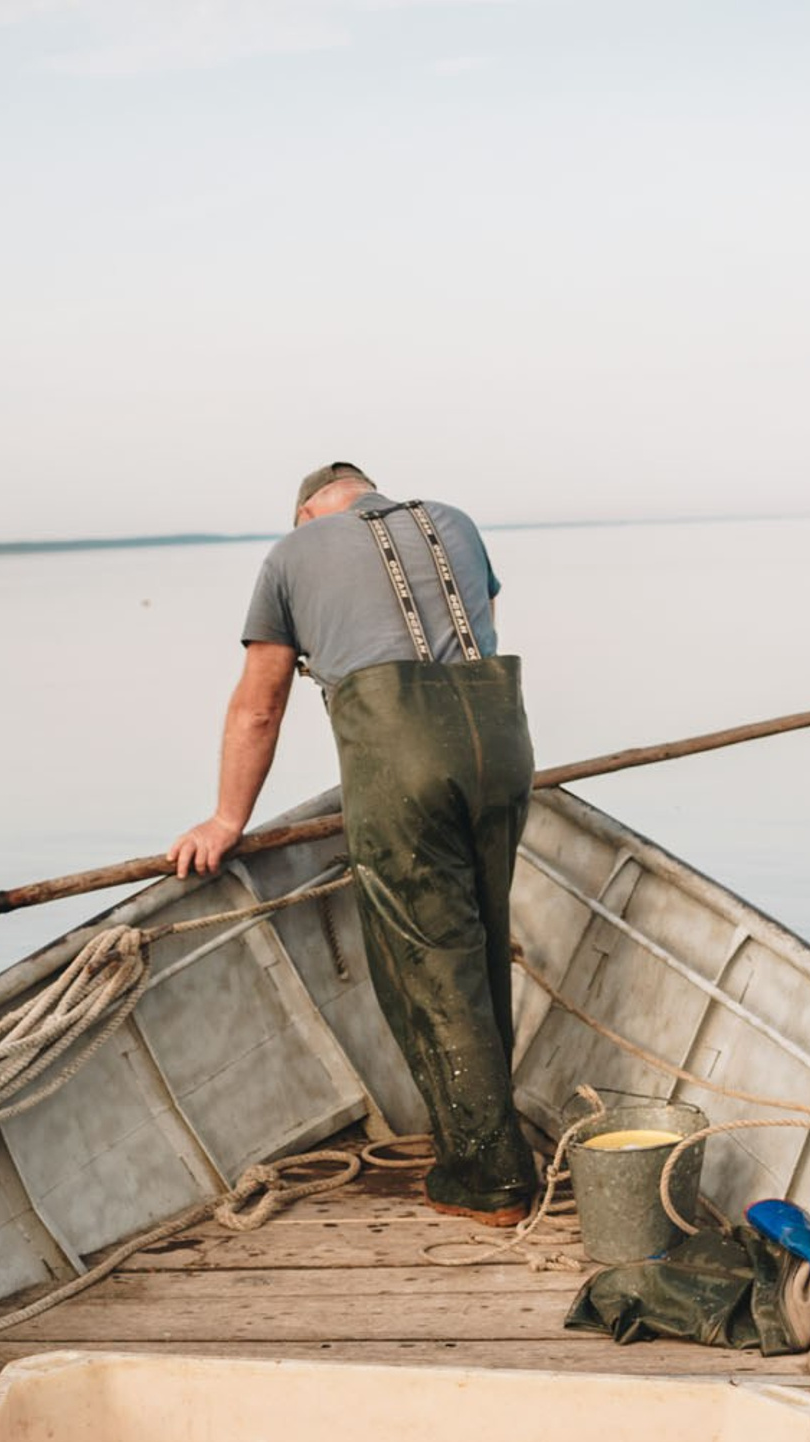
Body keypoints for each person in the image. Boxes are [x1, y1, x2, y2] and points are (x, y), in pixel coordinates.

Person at [170, 461, 537, 1225]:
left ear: (307, 513)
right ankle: (494, 1133)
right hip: (501, 741)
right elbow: (480, 616)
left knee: (433, 960)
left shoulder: (290, 555)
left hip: (403, 754)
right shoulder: (454, 519)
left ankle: (490, 1179)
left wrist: (225, 820)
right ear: (367, 491)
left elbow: (259, 707)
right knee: (481, 935)